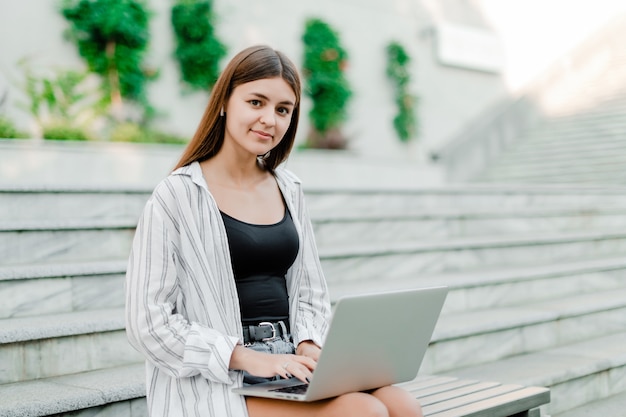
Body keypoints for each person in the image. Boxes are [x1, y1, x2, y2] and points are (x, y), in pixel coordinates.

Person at [125, 45, 424, 417]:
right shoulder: (176, 195)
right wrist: (246, 358)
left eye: (283, 109)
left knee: (402, 405)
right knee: (365, 412)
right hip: (221, 377)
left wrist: (310, 345)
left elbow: (311, 292)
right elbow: (148, 323)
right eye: (256, 102)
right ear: (224, 103)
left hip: (289, 360)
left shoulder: (289, 188)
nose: (270, 119)